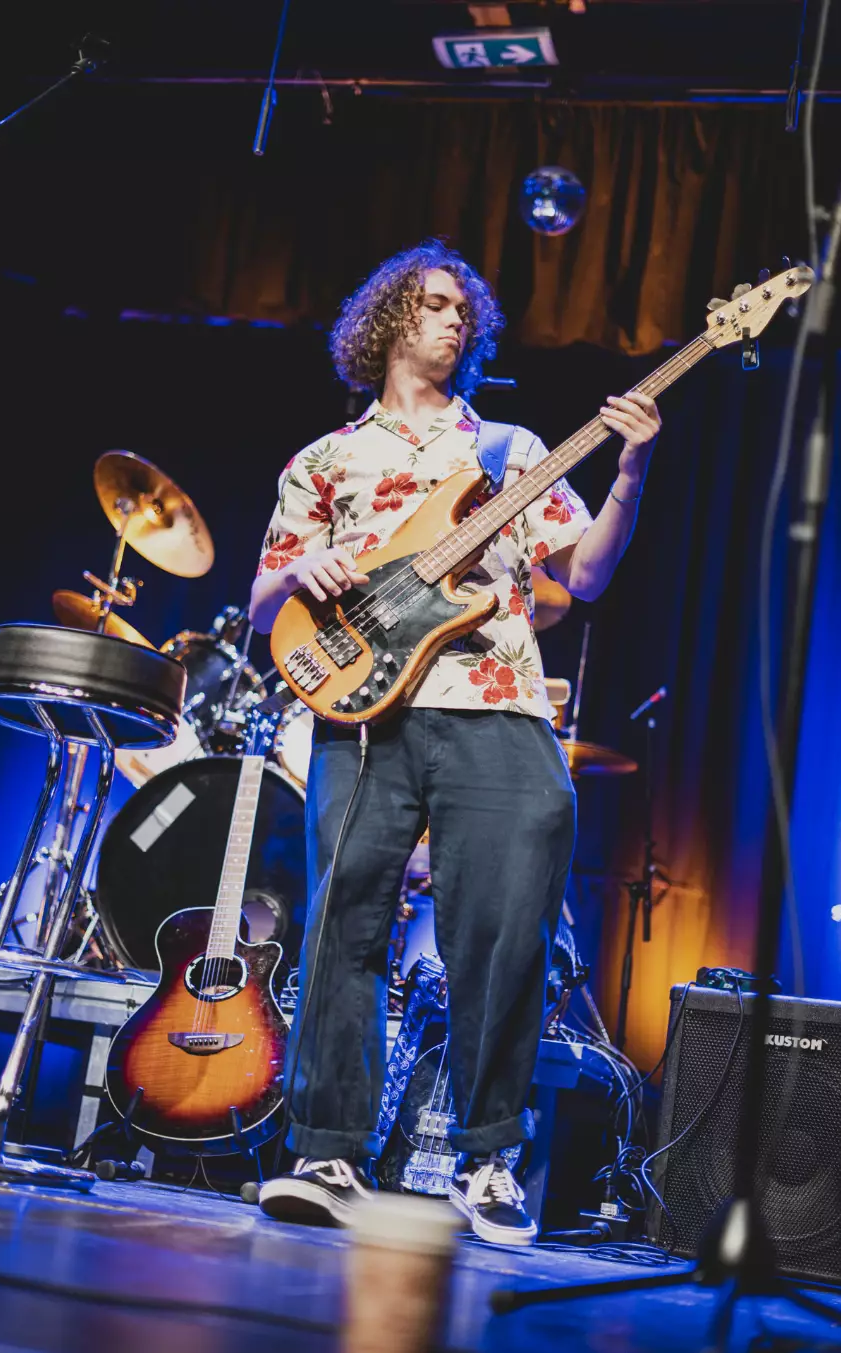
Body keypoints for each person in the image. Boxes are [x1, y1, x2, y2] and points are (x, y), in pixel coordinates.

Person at [249, 240, 660, 1246]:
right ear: (388, 319)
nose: (453, 320)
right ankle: (327, 1150)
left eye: (463, 311)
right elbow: (262, 603)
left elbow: (586, 575)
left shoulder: (511, 451)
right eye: (434, 304)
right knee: (344, 920)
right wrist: (301, 576)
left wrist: (633, 467)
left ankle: (488, 1160)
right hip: (363, 705)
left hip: (498, 699)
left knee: (509, 931)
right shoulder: (325, 461)